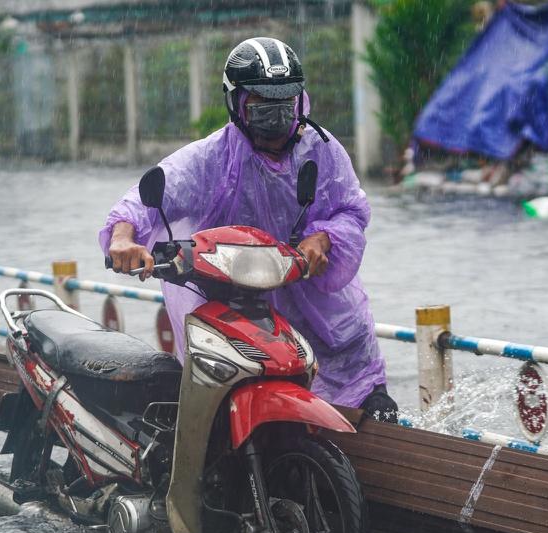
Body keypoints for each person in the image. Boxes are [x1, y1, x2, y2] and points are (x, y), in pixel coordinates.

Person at [99, 37, 398, 421]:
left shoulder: (322, 150)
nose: (275, 118)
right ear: (237, 104)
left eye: (284, 105)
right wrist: (123, 238)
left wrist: (324, 238)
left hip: (325, 316)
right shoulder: (211, 159)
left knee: (375, 417)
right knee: (229, 420)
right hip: (241, 311)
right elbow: (142, 201)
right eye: (262, 107)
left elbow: (352, 210)